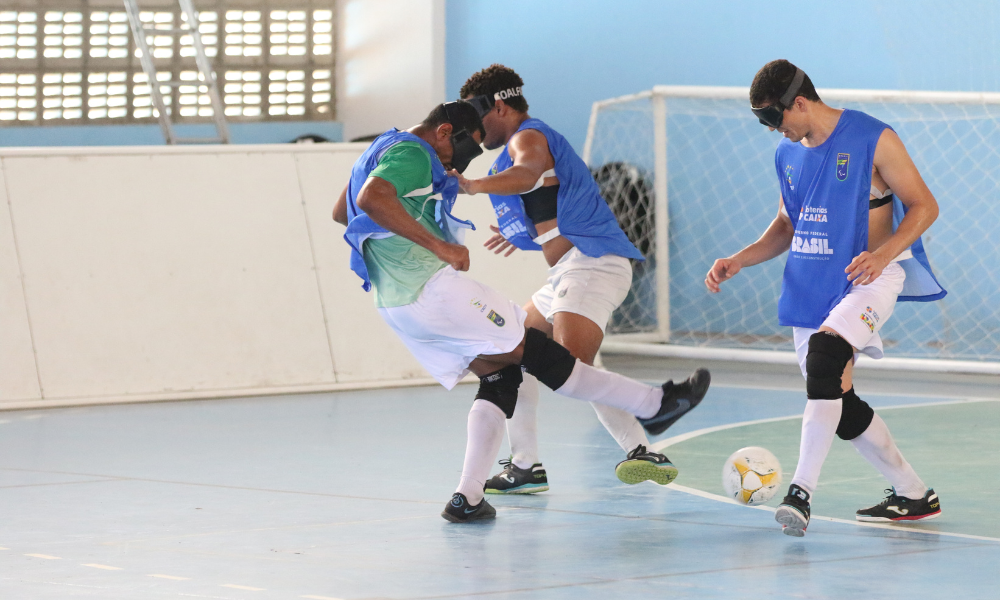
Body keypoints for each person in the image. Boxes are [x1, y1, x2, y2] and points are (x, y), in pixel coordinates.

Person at [332, 100, 710, 523]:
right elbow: (372, 197)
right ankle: (654, 403)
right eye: (465, 147)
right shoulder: (415, 153)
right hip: (432, 289)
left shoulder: (380, 148)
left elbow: (342, 210)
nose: (462, 160)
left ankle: (469, 495)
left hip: (397, 306)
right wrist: (440, 245)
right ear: (443, 132)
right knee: (544, 355)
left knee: (501, 375)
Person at [705, 60, 946, 536]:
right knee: (836, 396)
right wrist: (740, 258)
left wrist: (883, 255)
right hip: (810, 281)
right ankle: (914, 494)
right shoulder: (786, 153)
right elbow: (786, 226)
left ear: (799, 102)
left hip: (870, 276)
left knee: (825, 356)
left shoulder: (873, 138)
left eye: (774, 118)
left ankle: (801, 491)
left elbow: (924, 205)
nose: (773, 130)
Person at [450, 64, 710, 494]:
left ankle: (658, 405)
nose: (475, 134)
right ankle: (527, 466)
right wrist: (519, 234)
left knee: (567, 365)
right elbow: (545, 202)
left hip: (592, 263)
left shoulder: (526, 137)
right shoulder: (517, 145)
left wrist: (474, 186)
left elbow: (529, 173)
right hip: (566, 272)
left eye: (476, 121)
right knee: (515, 352)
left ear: (497, 106)